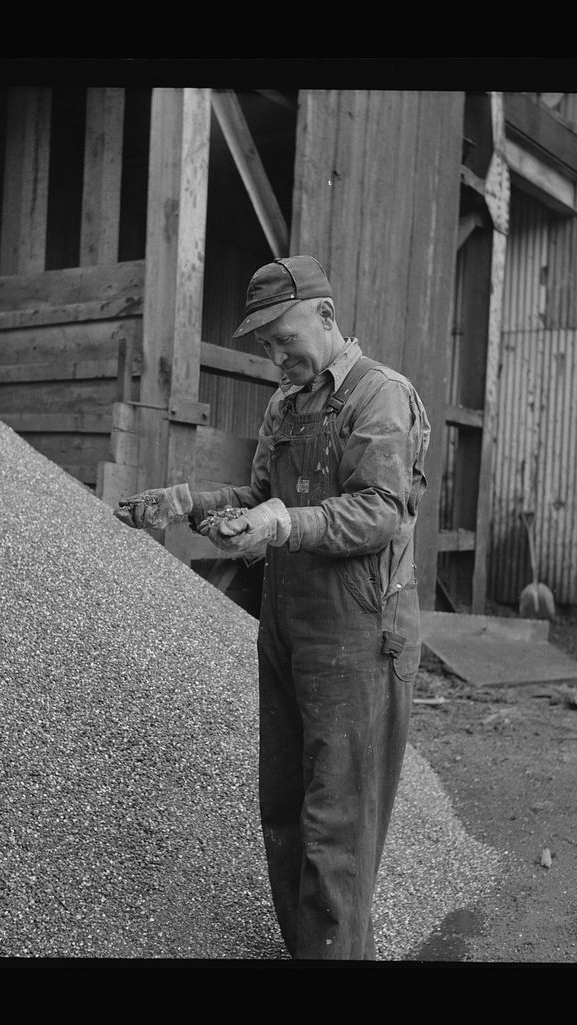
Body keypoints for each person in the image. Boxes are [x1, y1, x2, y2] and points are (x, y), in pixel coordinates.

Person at [115, 255, 430, 960]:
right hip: (289, 632)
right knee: (285, 809)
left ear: (324, 315)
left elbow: (380, 511)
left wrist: (284, 525)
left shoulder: (379, 395)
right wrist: (190, 502)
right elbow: (261, 501)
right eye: (264, 343)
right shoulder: (285, 406)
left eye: (283, 336)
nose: (274, 355)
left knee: (337, 827)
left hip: (360, 634)